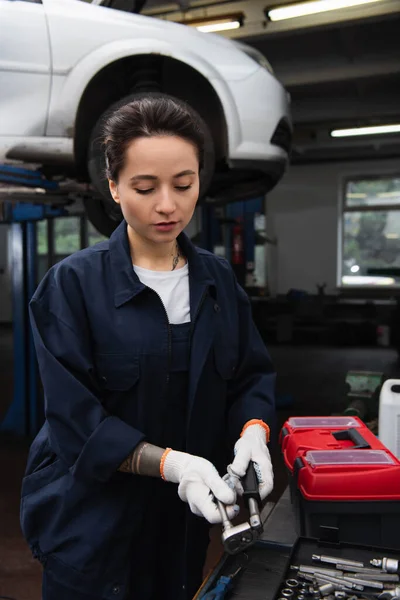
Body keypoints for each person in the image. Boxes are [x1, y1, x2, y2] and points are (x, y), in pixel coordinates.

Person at [20, 94, 275, 600]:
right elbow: (76, 419)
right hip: (91, 519)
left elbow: (250, 375)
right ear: (113, 187)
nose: (167, 204)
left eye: (184, 184)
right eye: (144, 187)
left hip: (182, 522)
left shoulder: (218, 283)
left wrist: (253, 433)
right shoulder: (71, 286)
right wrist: (173, 464)